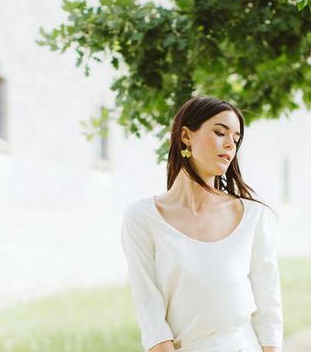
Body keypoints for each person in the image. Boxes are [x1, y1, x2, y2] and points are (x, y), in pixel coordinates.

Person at [120, 95, 283, 352]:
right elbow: (150, 314)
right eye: (220, 132)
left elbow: (269, 308)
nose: (230, 144)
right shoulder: (142, 217)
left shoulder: (252, 216)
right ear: (186, 136)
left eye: (236, 139)